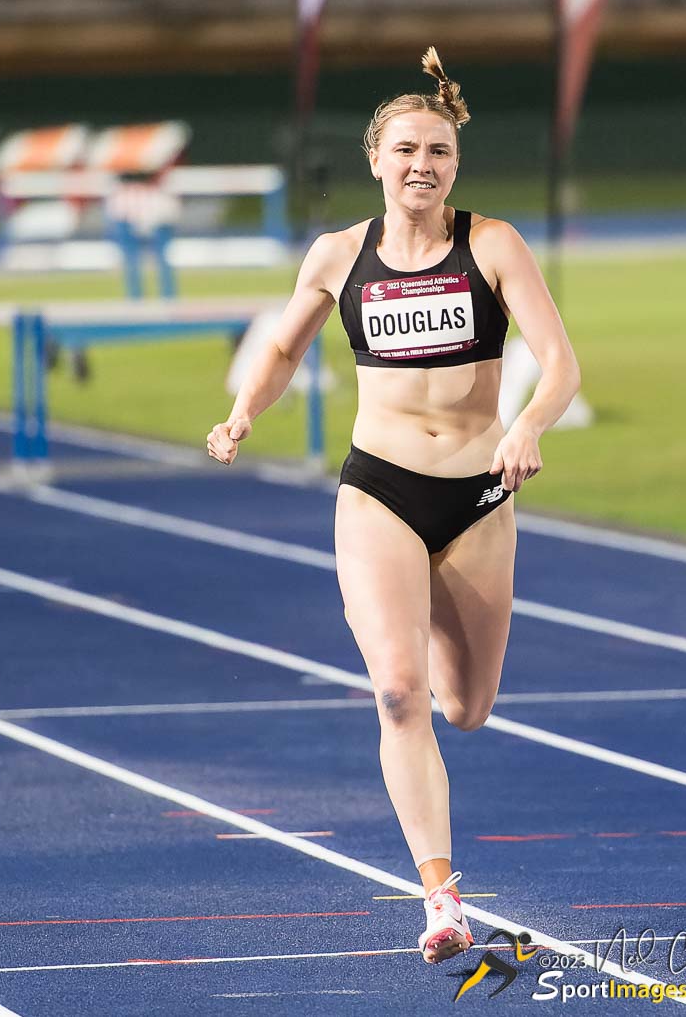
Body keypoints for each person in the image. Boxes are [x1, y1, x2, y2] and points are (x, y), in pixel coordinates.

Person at [207, 47, 581, 963]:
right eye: (408, 149)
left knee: (466, 707)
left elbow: (562, 364)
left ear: (456, 165)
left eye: (440, 153)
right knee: (398, 692)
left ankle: (446, 831)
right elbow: (286, 346)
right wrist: (244, 411)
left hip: (481, 494)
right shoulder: (340, 256)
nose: (424, 165)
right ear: (377, 159)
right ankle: (442, 898)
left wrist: (528, 423)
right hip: (379, 488)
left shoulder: (491, 244)